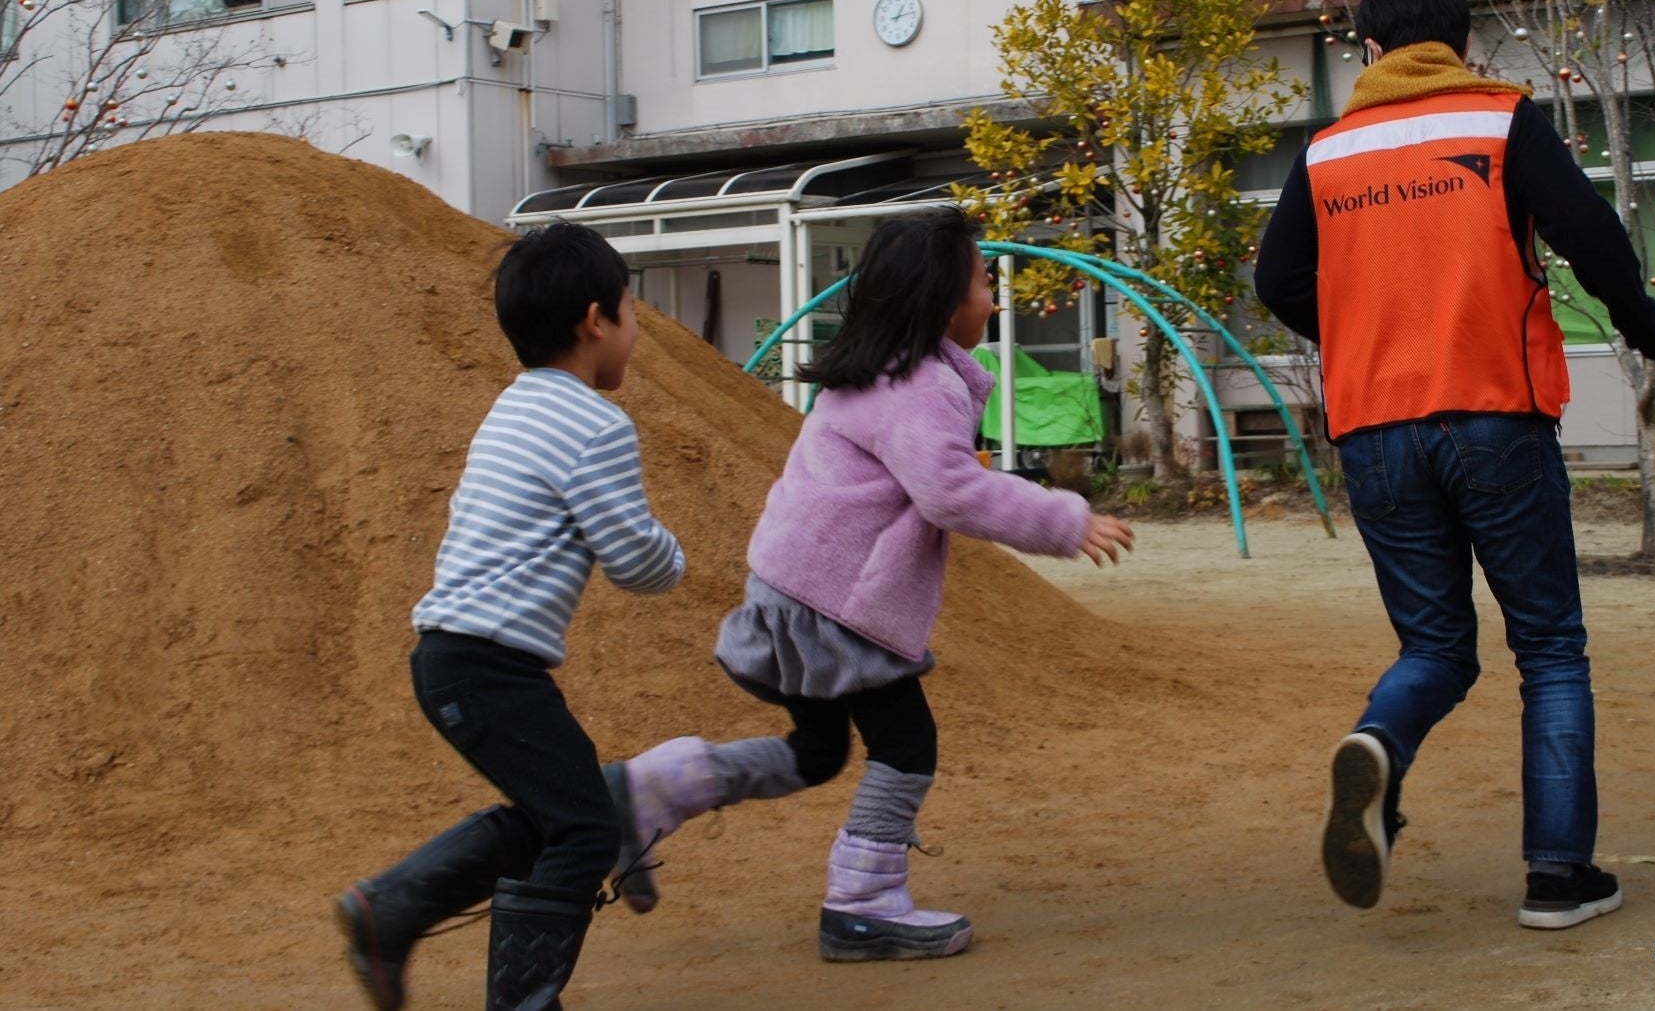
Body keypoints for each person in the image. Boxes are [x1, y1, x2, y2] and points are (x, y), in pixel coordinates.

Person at [1254, 0, 1655, 931]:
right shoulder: (1496, 119)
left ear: (1368, 49)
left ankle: (1377, 741)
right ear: (1460, 43)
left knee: (1436, 642)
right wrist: (1650, 334)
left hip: (1373, 430)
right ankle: (1555, 874)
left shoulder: (1325, 153)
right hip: (1493, 412)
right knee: (1547, 644)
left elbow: (1277, 281)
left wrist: (1366, 330)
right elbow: (1593, 235)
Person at [602, 206, 1133, 961]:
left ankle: (653, 788)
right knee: (907, 743)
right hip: (835, 604)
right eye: (984, 282)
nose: (993, 297)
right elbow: (949, 490)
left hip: (792, 587)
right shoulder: (920, 385)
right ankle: (862, 902)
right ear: (944, 302)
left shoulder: (870, 371)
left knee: (817, 750)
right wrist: (1062, 519)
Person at [336, 222, 687, 1010]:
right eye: (632, 312)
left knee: (560, 812)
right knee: (587, 829)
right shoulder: (595, 425)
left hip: (455, 658)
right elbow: (636, 560)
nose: (636, 332)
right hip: (487, 664)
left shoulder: (516, 404)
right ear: (595, 319)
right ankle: (514, 995)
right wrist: (676, 557)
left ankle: (389, 909)